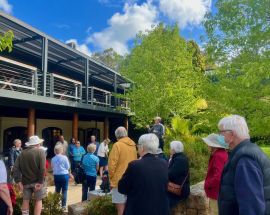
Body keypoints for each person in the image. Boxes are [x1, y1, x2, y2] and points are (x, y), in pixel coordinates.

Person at [217, 115, 270, 215]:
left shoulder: (245, 159)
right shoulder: (247, 152)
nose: (219, 136)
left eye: (220, 132)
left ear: (232, 135)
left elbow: (251, 206)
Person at [118, 133, 169, 215]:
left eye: (138, 145)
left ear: (142, 148)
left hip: (139, 209)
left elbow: (122, 188)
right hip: (160, 209)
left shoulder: (135, 165)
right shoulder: (164, 163)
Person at [13, 135, 46, 215]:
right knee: (38, 200)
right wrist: (40, 182)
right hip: (37, 182)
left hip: (25, 182)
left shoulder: (22, 153)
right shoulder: (41, 152)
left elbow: (15, 168)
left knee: (25, 200)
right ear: (37, 144)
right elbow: (42, 169)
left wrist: (18, 181)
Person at [108, 127, 137, 215]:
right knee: (129, 207)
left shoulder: (117, 145)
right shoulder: (133, 145)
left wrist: (111, 179)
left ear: (116, 136)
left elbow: (111, 164)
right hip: (132, 179)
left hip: (119, 180)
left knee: (120, 208)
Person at [202, 133, 228, 215]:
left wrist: (207, 184)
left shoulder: (218, 155)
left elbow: (218, 177)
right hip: (218, 192)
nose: (207, 146)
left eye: (208, 144)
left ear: (213, 145)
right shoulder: (221, 154)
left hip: (216, 192)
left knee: (214, 212)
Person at [168, 141, 190, 209]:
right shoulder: (179, 158)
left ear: (173, 150)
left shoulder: (180, 160)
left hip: (178, 191)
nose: (169, 150)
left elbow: (171, 174)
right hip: (175, 189)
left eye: (170, 148)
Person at [51, 144, 72, 210]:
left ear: (55, 151)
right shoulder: (65, 157)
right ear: (61, 150)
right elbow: (68, 167)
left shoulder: (53, 158)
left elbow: (52, 167)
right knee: (64, 191)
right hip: (64, 175)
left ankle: (55, 204)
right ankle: (63, 206)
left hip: (56, 175)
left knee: (57, 190)